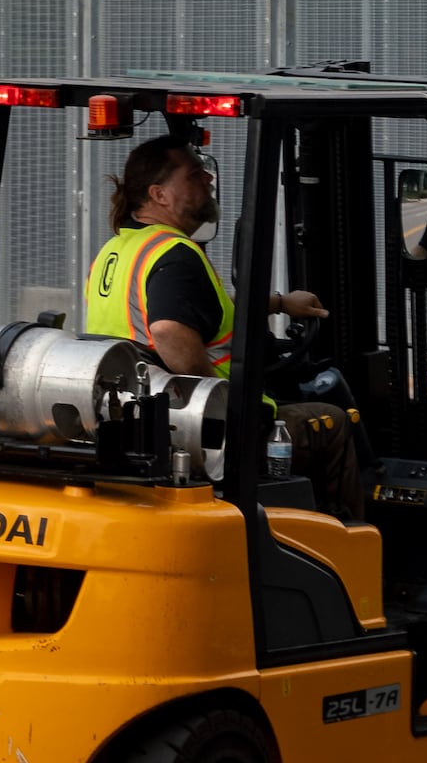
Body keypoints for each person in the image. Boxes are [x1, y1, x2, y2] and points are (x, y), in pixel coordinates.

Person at [83, 130, 364, 522]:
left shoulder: (118, 250)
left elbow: (200, 311)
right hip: (197, 429)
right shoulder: (174, 253)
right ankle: (350, 544)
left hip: (139, 422)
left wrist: (280, 304)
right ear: (159, 194)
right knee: (330, 423)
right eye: (194, 174)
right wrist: (218, 401)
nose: (208, 179)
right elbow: (167, 330)